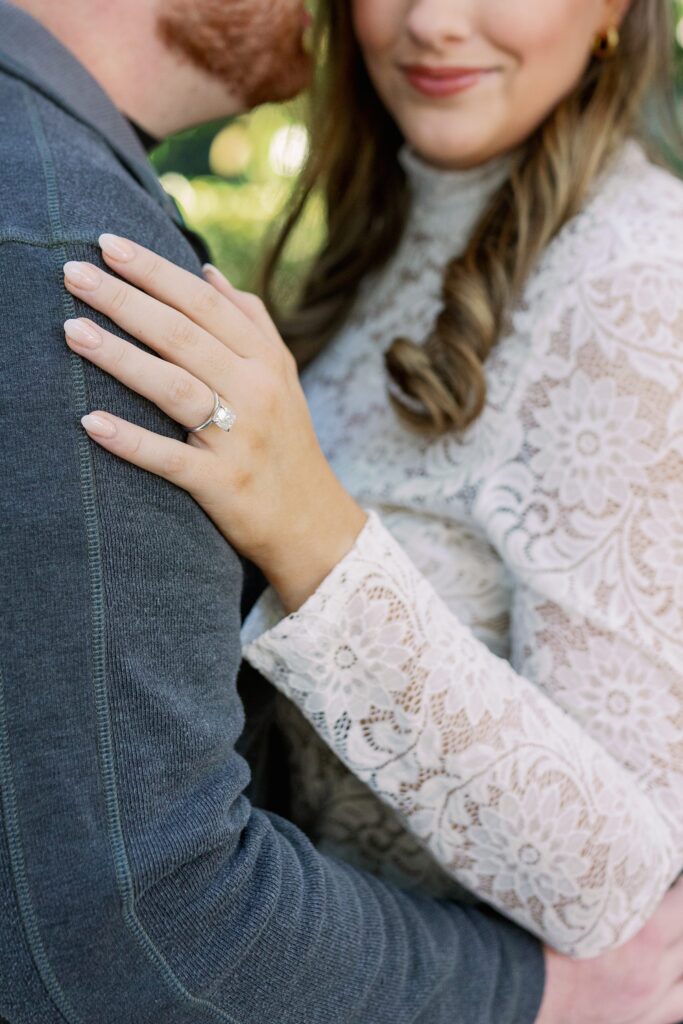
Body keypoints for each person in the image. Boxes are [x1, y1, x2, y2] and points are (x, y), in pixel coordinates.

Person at [8, 1, 680, 1023]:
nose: (433, 22)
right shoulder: (375, 241)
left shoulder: (638, 289)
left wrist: (308, 528)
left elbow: (622, 887)